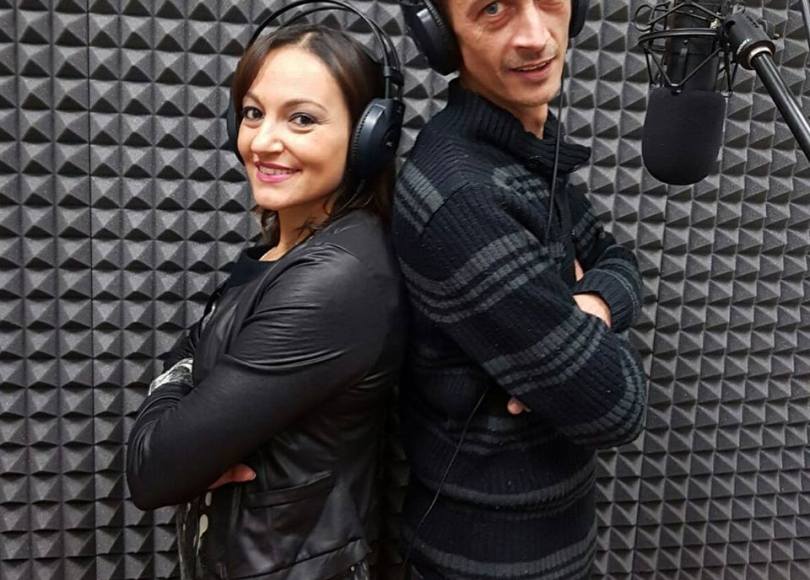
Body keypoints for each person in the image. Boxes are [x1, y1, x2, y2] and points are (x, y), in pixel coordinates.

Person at [126, 17, 407, 580]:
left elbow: (152, 470)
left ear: (369, 136)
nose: (262, 141)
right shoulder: (283, 249)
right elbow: (195, 346)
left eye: (302, 119)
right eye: (253, 113)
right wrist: (188, 380)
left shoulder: (334, 281)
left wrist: (176, 393)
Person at [392, 1, 648, 578]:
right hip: (487, 560)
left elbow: (617, 258)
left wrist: (591, 307)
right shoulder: (463, 198)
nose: (535, 35)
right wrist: (585, 351)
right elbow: (617, 404)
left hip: (554, 540)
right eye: (493, 8)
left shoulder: (523, 150)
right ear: (441, 36)